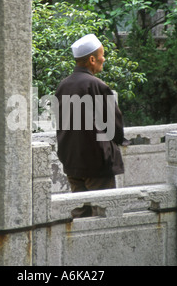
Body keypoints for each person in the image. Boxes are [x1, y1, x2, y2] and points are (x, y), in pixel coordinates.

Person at [55, 34, 126, 218]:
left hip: (72, 161)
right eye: (102, 55)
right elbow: (114, 126)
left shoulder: (63, 85)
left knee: (80, 213)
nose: (104, 59)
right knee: (103, 214)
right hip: (96, 162)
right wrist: (118, 143)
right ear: (92, 59)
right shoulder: (97, 85)